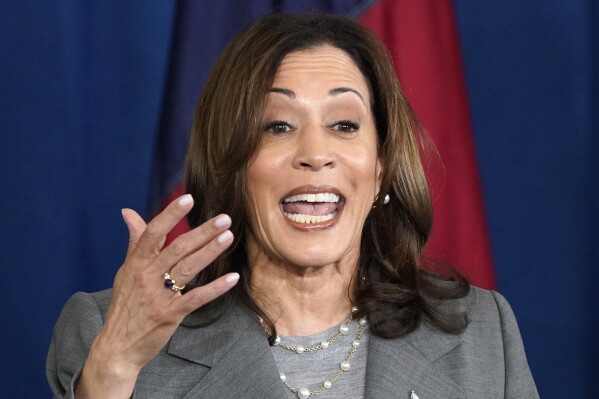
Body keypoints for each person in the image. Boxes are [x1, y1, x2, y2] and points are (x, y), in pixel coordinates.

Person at [47, 13, 538, 399]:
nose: (315, 154)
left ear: (382, 167)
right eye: (277, 125)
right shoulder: (105, 333)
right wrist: (112, 370)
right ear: (231, 164)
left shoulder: (481, 333)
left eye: (344, 125)